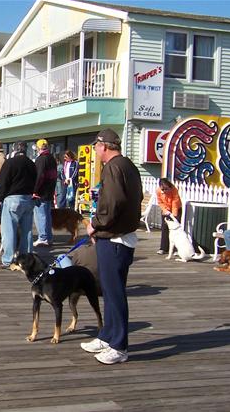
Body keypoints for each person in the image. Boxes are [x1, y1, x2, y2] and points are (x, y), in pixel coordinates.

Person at [81, 128, 143, 365]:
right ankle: (107, 336)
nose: (95, 151)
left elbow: (113, 202)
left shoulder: (113, 167)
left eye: (96, 147)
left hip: (115, 239)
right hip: (121, 236)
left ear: (103, 146)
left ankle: (119, 346)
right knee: (108, 290)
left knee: (114, 292)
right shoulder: (128, 165)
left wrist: (95, 224)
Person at [0, 141, 37, 269]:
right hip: (28, 198)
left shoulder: (10, 163)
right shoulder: (31, 164)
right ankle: (27, 259)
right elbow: (36, 179)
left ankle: (8, 260)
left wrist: (1, 196)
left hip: (12, 198)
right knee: (27, 231)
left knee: (9, 231)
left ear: (14, 150)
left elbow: (2, 181)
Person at [33, 138, 57, 247]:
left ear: (38, 148)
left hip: (41, 192)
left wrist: (35, 190)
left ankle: (43, 237)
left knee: (40, 215)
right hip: (49, 190)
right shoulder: (52, 158)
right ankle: (49, 237)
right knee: (47, 215)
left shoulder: (41, 159)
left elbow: (39, 176)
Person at [156, 178, 182, 255]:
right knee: (164, 228)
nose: (164, 191)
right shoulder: (158, 191)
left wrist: (174, 215)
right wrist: (165, 210)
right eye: (162, 189)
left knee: (176, 229)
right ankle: (163, 248)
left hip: (176, 209)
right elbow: (160, 202)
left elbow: (175, 202)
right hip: (166, 210)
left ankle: (177, 249)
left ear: (169, 186)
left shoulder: (174, 190)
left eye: (166, 189)